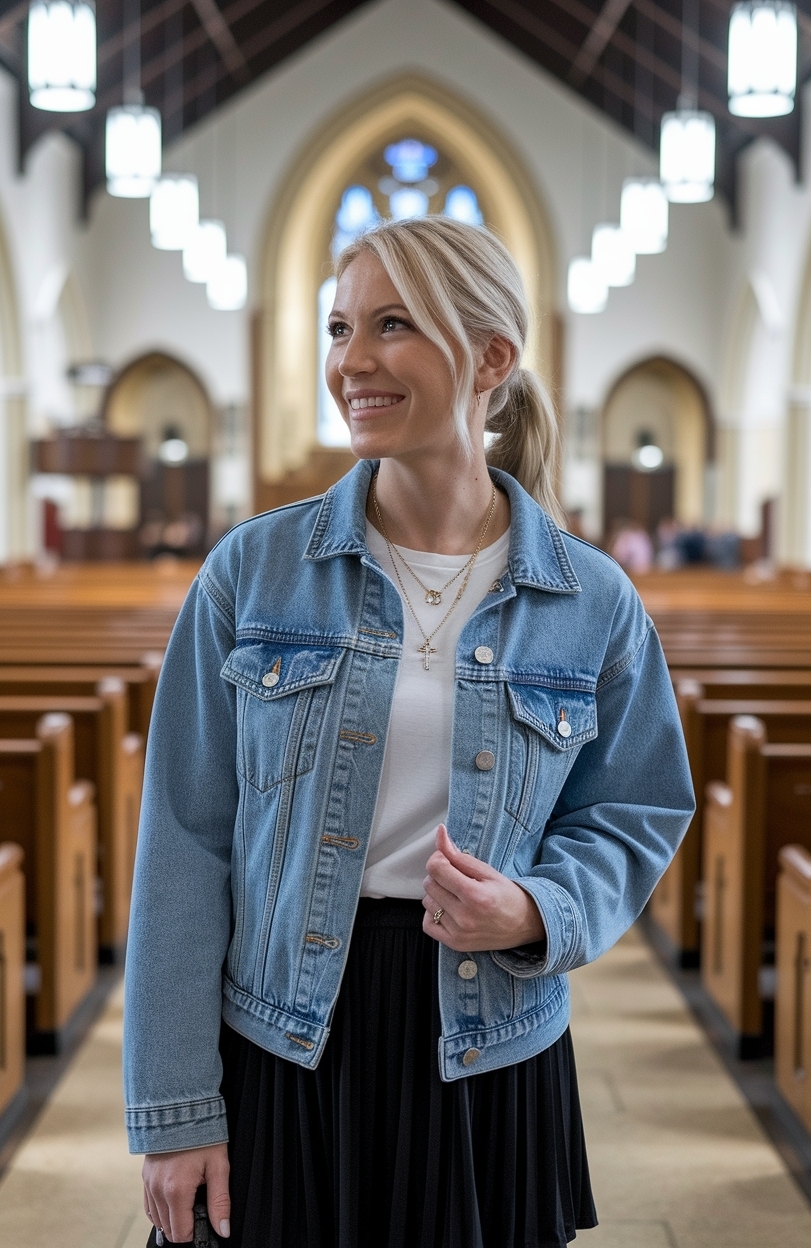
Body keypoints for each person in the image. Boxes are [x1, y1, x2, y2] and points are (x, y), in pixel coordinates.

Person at [125, 216, 695, 1248]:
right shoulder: (253, 573)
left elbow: (636, 809)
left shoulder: (592, 599)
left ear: (490, 358)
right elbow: (183, 843)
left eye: (392, 325)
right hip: (286, 1030)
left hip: (489, 1039)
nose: (352, 361)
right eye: (341, 328)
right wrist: (175, 1110)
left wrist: (538, 907)